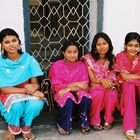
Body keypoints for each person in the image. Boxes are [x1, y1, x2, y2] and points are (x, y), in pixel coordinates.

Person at [0, 28, 45, 140]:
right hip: (9, 93)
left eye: (14, 40)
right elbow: (4, 89)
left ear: (19, 41)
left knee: (37, 102)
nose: (11, 45)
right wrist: (28, 91)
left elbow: (35, 84)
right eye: (7, 42)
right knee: (16, 105)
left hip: (27, 91)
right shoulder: (0, 63)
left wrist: (33, 88)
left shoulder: (28, 59)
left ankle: (26, 127)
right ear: (1, 45)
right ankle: (13, 128)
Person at [48, 40, 91, 135]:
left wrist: (69, 88)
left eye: (75, 52)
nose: (72, 55)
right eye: (69, 52)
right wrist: (75, 84)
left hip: (75, 91)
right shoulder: (57, 65)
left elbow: (85, 86)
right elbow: (57, 87)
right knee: (67, 97)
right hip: (62, 93)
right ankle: (63, 124)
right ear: (63, 53)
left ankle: (83, 122)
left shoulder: (81, 65)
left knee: (85, 96)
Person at [83, 33, 118, 131]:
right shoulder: (88, 58)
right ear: (95, 46)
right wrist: (102, 81)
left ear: (109, 44)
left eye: (104, 43)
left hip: (108, 83)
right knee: (98, 93)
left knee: (111, 92)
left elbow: (113, 74)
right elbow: (92, 79)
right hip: (94, 85)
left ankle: (108, 119)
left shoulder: (112, 58)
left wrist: (109, 81)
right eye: (99, 44)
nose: (102, 47)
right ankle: (94, 120)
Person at [115, 32, 140, 140]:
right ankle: (129, 127)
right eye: (130, 45)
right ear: (125, 45)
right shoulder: (120, 56)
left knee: (131, 83)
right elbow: (124, 76)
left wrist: (133, 77)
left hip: (137, 85)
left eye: (136, 46)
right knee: (129, 86)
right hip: (125, 87)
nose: (133, 48)